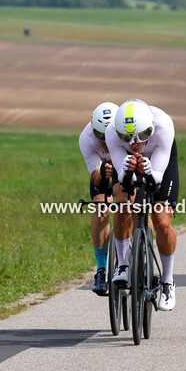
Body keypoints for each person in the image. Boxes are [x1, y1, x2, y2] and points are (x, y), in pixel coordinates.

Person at [106, 99, 179, 311]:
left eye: (141, 135)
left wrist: (148, 172)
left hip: (159, 160)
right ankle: (123, 265)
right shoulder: (112, 132)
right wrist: (128, 170)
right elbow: (122, 177)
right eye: (127, 137)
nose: (134, 143)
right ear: (119, 132)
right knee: (122, 203)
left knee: (161, 220)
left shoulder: (163, 125)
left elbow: (156, 179)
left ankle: (167, 282)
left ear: (151, 129)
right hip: (128, 161)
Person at [79, 102, 118, 295]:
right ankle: (102, 270)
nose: (104, 142)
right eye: (99, 136)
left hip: (129, 166)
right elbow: (96, 178)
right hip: (104, 171)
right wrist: (103, 173)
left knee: (137, 206)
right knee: (101, 208)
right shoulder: (86, 138)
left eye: (108, 136)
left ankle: (140, 258)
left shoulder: (129, 133)